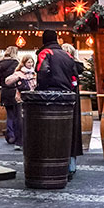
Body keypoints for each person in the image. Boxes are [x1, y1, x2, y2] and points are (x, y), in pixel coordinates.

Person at [36, 29, 84, 179]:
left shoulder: (45, 53)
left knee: (49, 133)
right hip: (68, 97)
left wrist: (40, 90)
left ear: (44, 40)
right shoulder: (66, 54)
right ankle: (70, 165)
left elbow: (42, 72)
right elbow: (75, 74)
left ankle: (51, 165)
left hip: (51, 97)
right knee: (68, 131)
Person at [3, 54, 37, 150]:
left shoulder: (34, 73)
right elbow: (7, 81)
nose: (30, 64)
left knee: (30, 122)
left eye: (31, 62)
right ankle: (19, 142)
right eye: (28, 62)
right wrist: (19, 78)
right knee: (20, 121)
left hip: (31, 99)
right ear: (24, 63)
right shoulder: (19, 73)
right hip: (21, 99)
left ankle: (28, 142)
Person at [0, 46, 21, 145]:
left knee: (9, 115)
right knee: (16, 115)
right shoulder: (16, 63)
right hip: (14, 90)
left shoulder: (0, 64)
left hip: (5, 91)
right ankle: (16, 135)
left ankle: (10, 134)